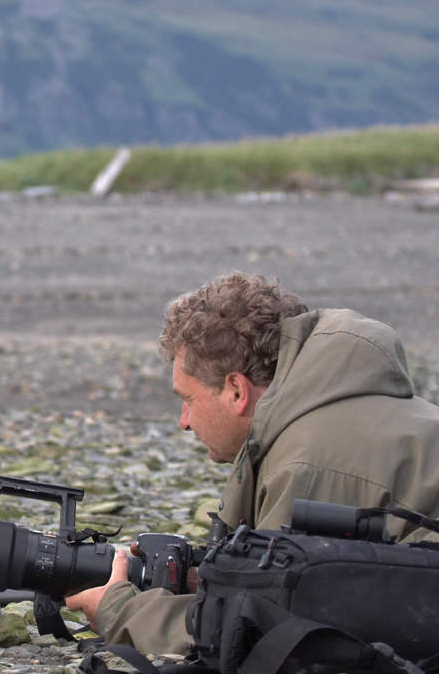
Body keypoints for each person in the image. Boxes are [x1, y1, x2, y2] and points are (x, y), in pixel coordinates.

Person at [64, 270, 439, 654]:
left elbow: (262, 638)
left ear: (236, 391)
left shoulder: (306, 463)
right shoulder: (338, 414)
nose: (184, 421)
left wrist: (123, 610)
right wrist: (200, 577)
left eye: (188, 399)